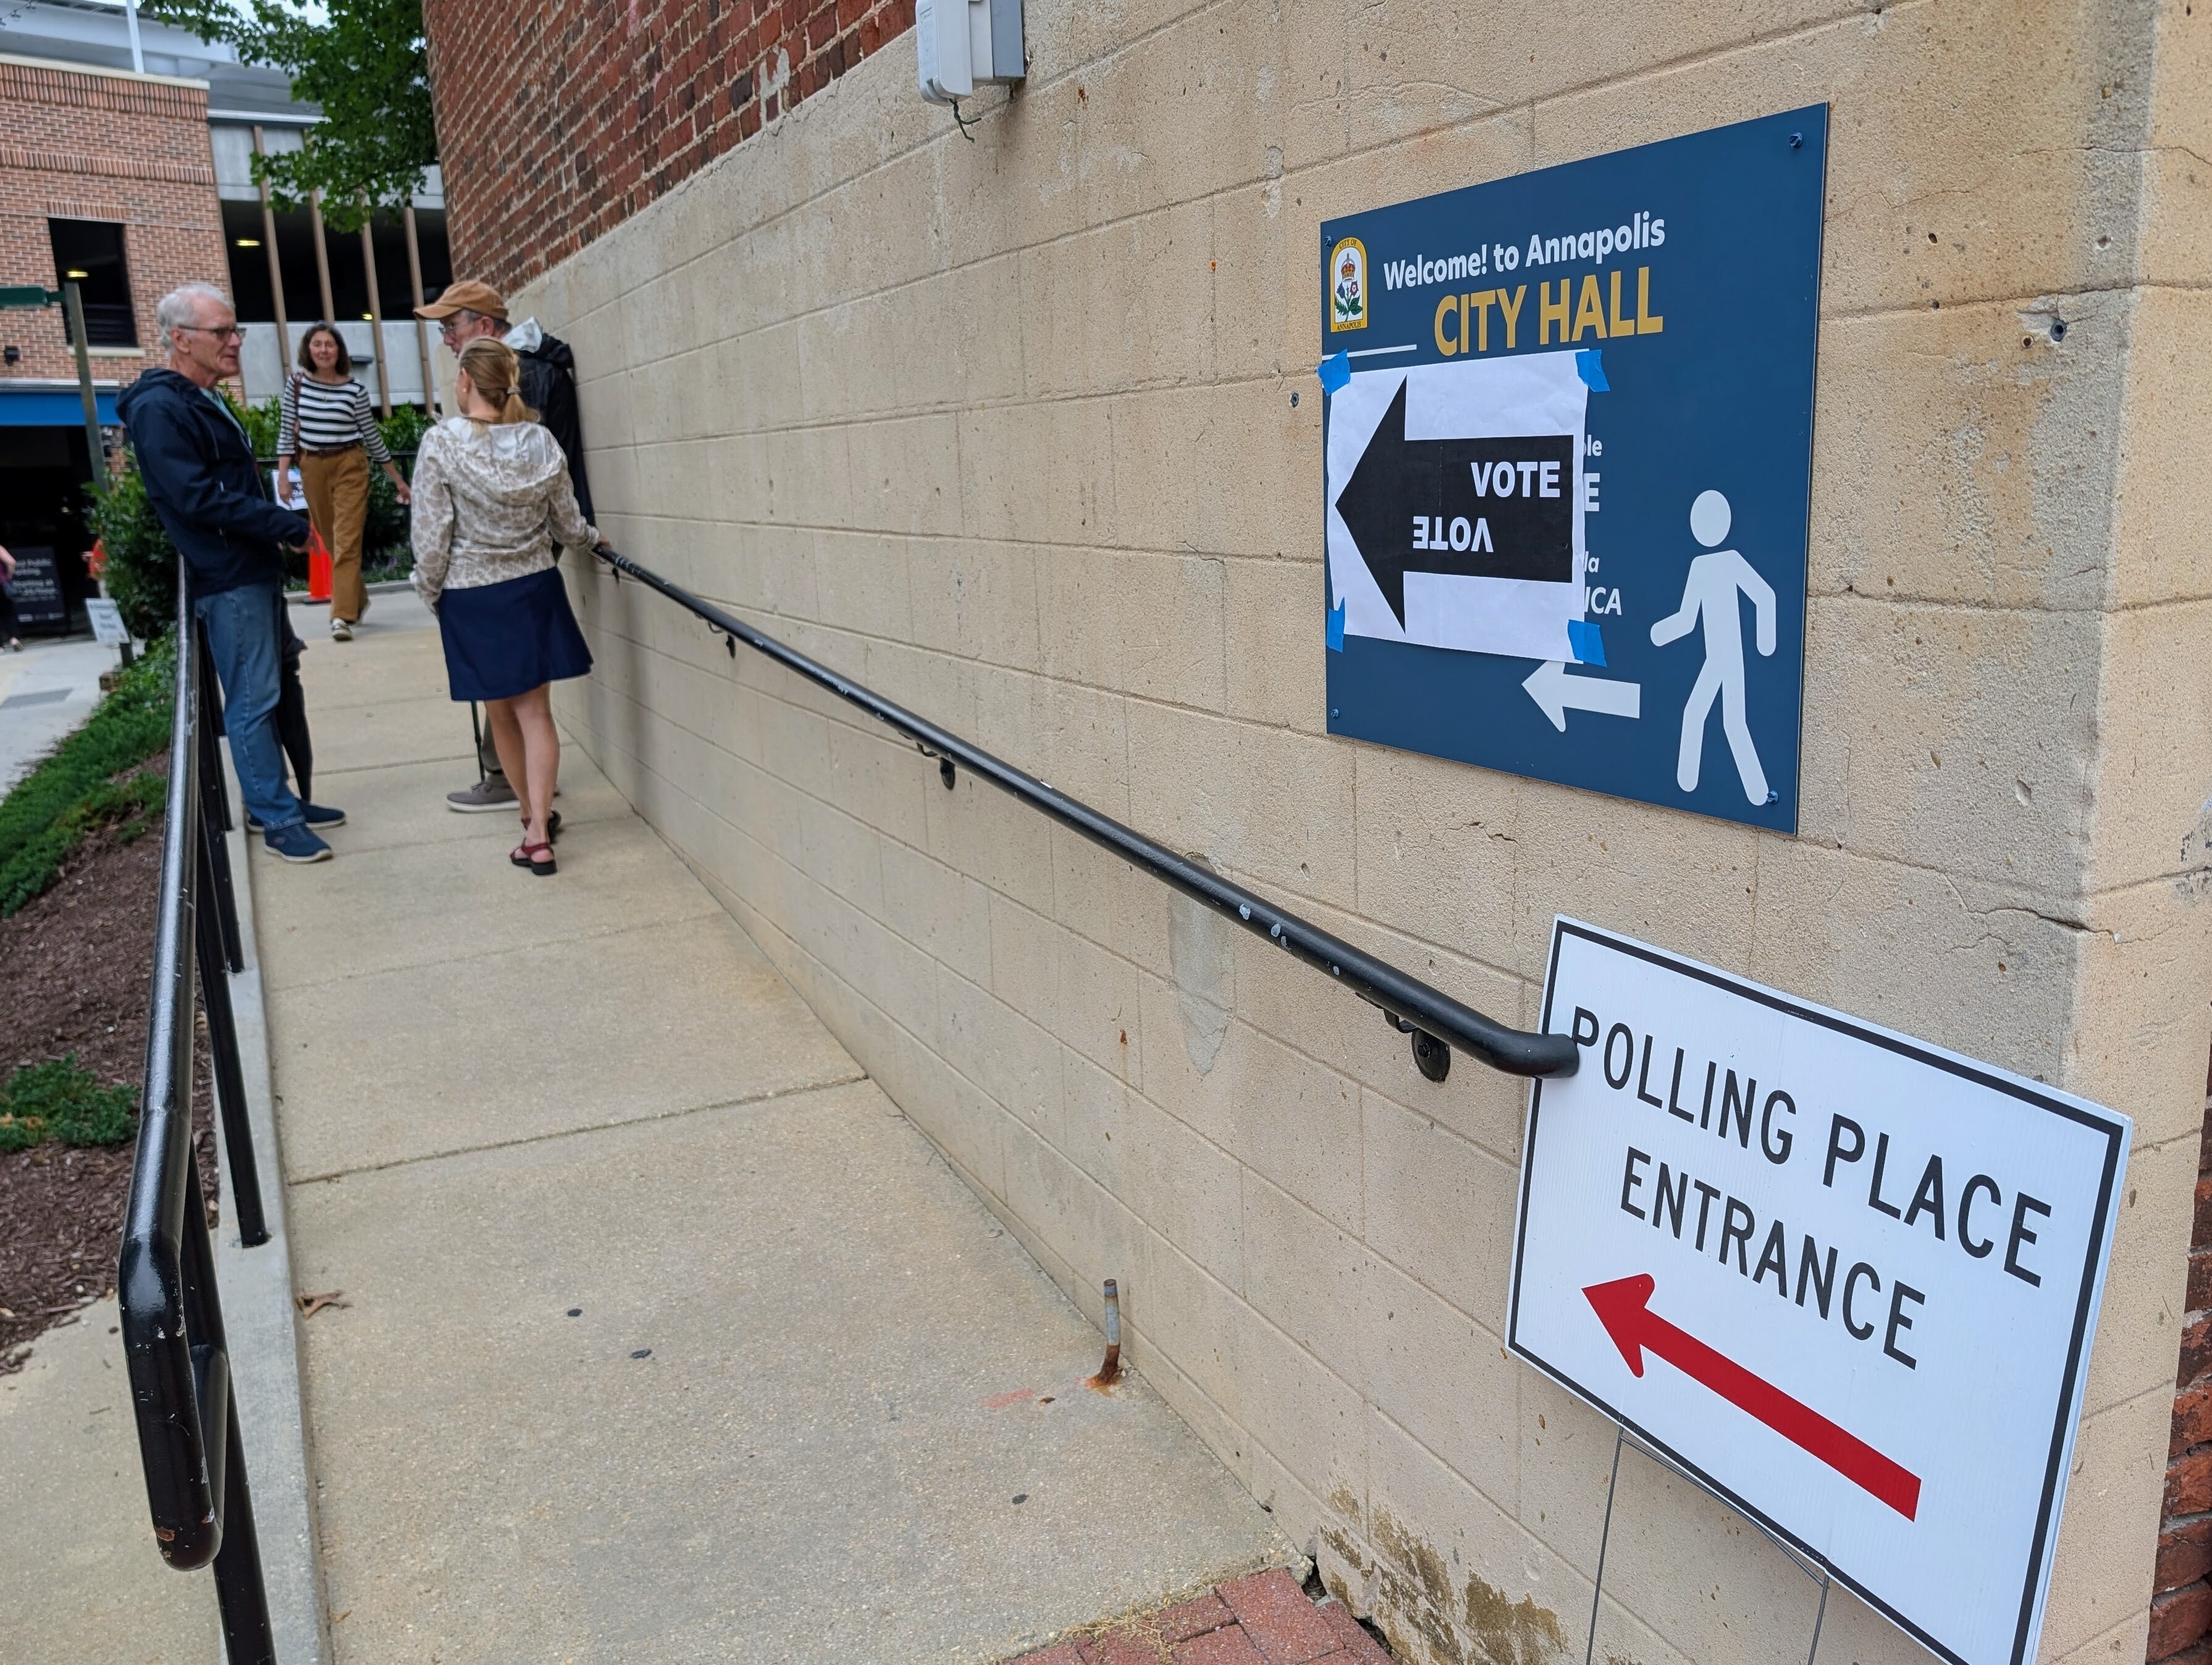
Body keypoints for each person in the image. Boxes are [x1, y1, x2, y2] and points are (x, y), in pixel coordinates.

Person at [116, 282, 346, 863]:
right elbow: (195, 498)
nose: (235, 342)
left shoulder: (198, 397)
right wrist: (284, 524)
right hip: (229, 577)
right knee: (254, 699)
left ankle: (276, 800)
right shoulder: (159, 407)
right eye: (222, 332)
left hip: (249, 569)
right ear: (181, 339)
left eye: (234, 330)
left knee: (272, 690)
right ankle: (276, 820)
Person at [409, 337, 597, 876]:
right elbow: (567, 521)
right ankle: (539, 827)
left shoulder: (442, 444)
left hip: (472, 595)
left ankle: (529, 818)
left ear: (466, 381)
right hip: (533, 585)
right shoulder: (540, 443)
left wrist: (430, 590)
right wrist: (588, 541)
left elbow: (432, 534)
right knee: (536, 712)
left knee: (501, 711)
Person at [275, 323, 411, 642]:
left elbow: (372, 436)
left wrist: (397, 480)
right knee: (331, 539)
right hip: (311, 465)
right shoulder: (296, 384)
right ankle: (358, 599)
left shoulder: (355, 391)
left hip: (350, 464)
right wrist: (284, 476)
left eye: (330, 345)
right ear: (308, 350)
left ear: (340, 352)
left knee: (348, 539)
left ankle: (341, 615)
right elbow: (285, 432)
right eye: (318, 344)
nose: (324, 350)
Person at [0, 543, 20, 651]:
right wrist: (8, 576)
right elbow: (11, 562)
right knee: (8, 612)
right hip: (1, 584)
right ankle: (14, 639)